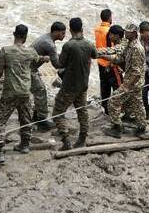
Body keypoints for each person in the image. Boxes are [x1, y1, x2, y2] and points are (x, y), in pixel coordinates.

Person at [0, 24, 39, 163]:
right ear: (26, 37)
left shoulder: (6, 51)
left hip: (10, 92)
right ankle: (25, 145)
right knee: (25, 119)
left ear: (14, 34)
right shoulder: (31, 52)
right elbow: (37, 60)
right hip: (25, 92)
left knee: (0, 122)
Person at [52, 17, 96, 150]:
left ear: (70, 30)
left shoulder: (68, 46)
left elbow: (60, 64)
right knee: (82, 111)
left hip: (69, 86)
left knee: (58, 113)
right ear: (82, 29)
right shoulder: (88, 44)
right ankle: (82, 139)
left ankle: (66, 142)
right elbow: (95, 55)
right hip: (83, 85)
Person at [98, 23, 147, 137]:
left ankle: (117, 128)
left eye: (128, 32)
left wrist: (126, 86)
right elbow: (120, 58)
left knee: (113, 101)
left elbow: (136, 72)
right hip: (134, 82)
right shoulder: (129, 45)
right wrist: (104, 56)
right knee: (137, 104)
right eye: (125, 31)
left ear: (134, 33)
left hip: (132, 83)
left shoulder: (136, 48)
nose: (125, 33)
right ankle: (142, 127)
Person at [30, 21, 66, 131]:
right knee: (40, 90)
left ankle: (36, 116)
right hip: (27, 69)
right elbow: (56, 65)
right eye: (62, 33)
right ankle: (42, 121)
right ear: (55, 32)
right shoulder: (49, 44)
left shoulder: (46, 38)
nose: (64, 35)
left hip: (27, 66)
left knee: (38, 90)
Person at [94, 8, 114, 110]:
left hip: (100, 60)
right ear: (109, 17)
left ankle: (105, 106)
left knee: (104, 85)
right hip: (109, 62)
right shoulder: (109, 31)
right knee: (115, 85)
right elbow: (112, 47)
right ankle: (116, 108)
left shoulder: (97, 29)